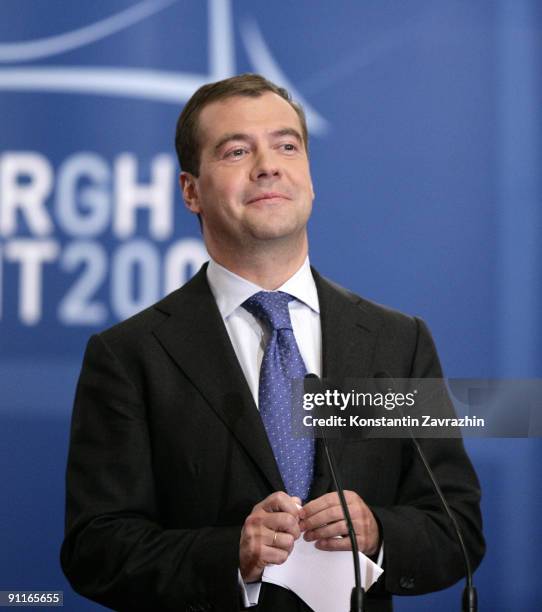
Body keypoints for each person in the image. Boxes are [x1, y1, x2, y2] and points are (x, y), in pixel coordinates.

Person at [61, 74, 485, 611]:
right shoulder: (131, 355)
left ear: (309, 175)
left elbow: (457, 528)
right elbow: (94, 549)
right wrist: (230, 553)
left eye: (287, 145)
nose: (269, 164)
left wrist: (378, 530)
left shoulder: (396, 343)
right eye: (237, 150)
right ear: (190, 191)